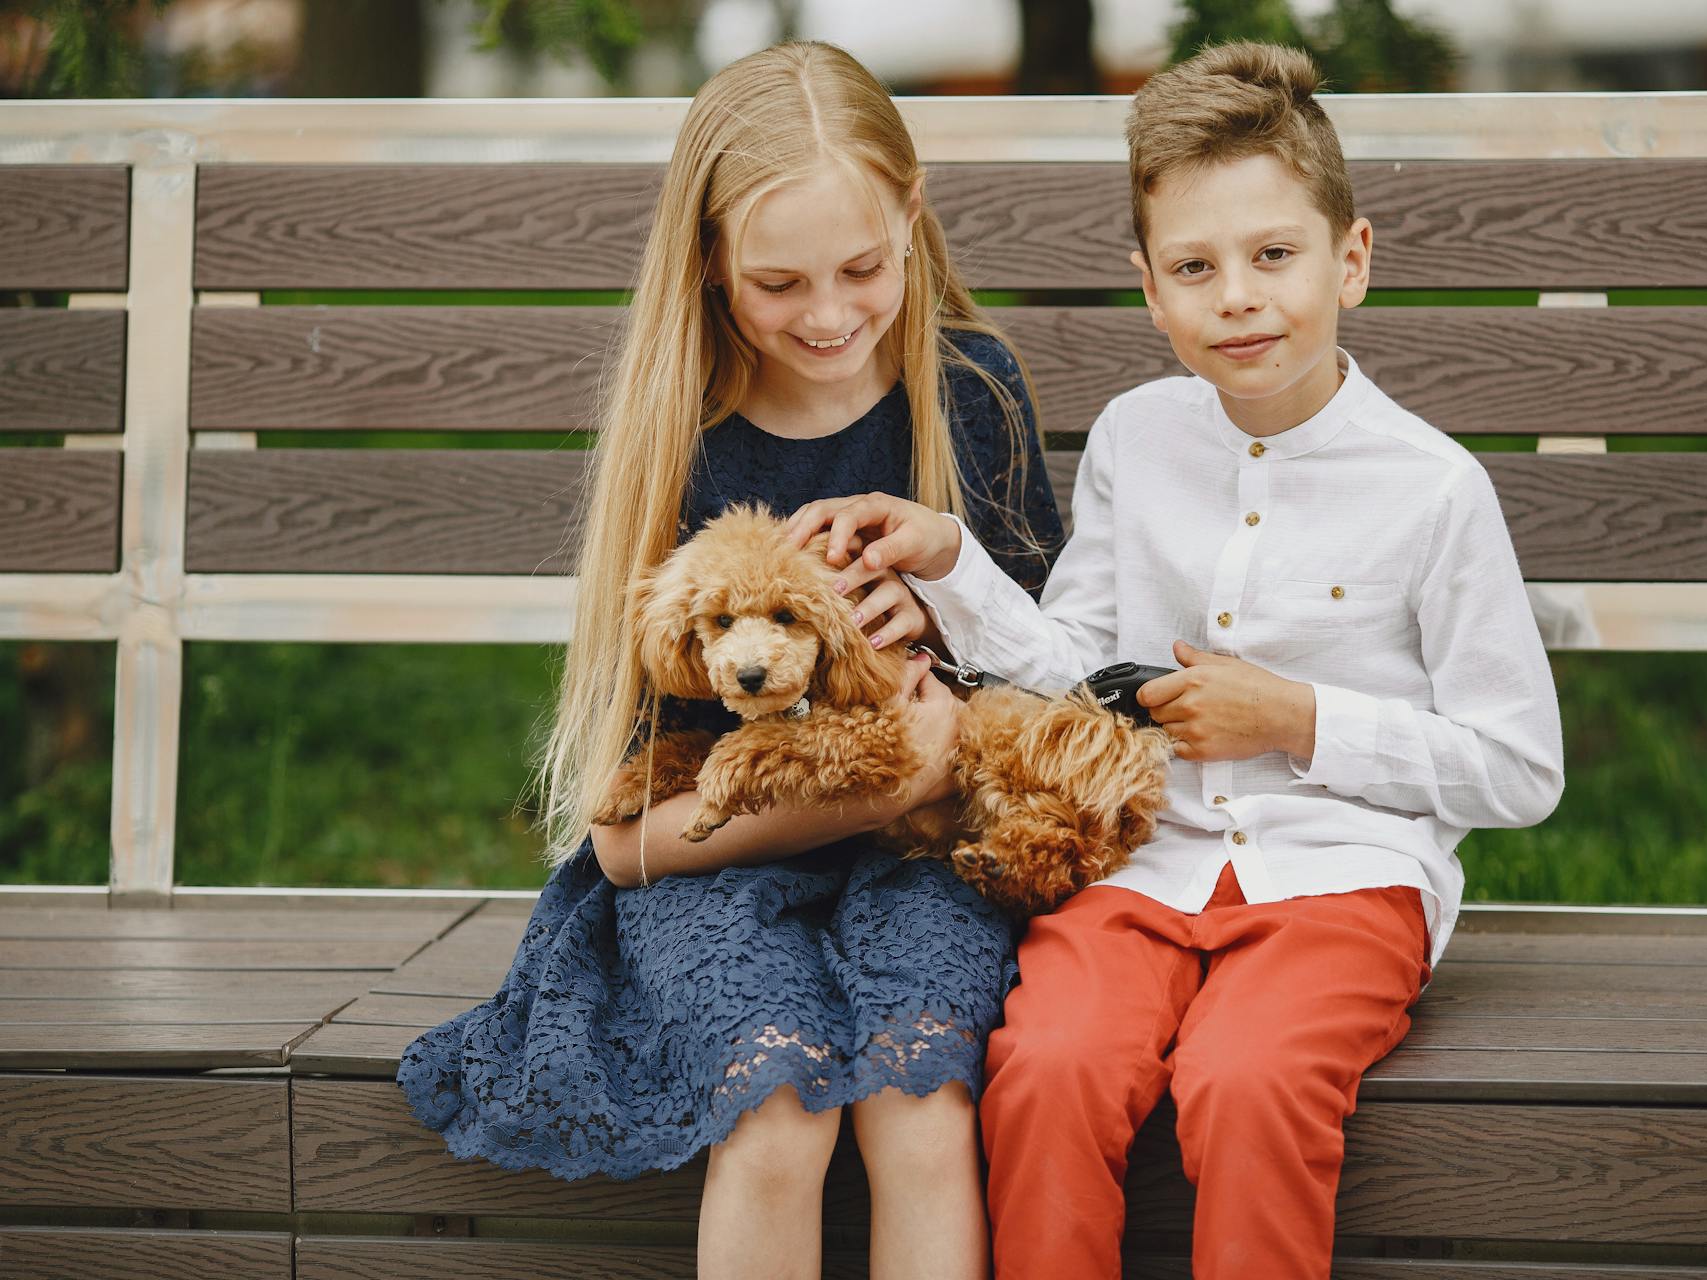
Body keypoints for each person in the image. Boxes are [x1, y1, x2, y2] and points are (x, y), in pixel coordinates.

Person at [783, 42, 1564, 1279]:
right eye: (1196, 268)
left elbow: (1520, 767)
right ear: (1150, 290)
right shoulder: (1139, 441)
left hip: (1341, 881)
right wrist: (949, 563)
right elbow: (1075, 671)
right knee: (1045, 1068)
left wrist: (1298, 717)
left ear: (1350, 259)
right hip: (1142, 866)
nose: (1239, 297)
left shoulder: (1435, 490)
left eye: (1274, 255)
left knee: (1245, 1080)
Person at [395, 41, 1062, 1280]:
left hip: (931, 855)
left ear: (912, 216)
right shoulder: (682, 435)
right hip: (716, 859)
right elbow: (625, 835)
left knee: (922, 1100)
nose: (827, 313)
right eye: (778, 282)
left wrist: (952, 664)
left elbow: (1057, 677)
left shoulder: (970, 393)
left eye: (861, 267)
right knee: (774, 1104)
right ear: (708, 261)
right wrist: (876, 783)